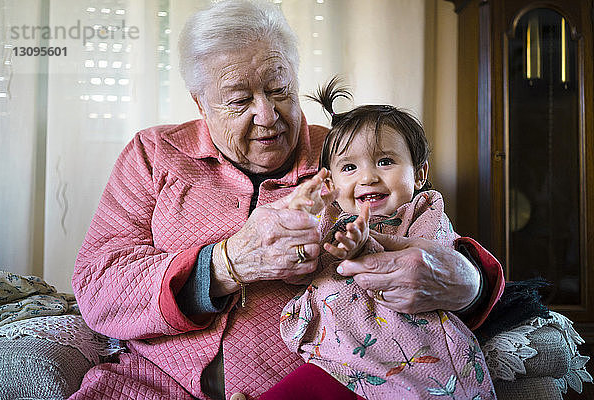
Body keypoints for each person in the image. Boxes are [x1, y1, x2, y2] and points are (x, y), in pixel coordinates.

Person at [70, 1, 504, 399]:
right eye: (240, 100)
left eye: (279, 90)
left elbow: (426, 237)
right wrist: (226, 263)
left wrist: (468, 282)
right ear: (201, 103)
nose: (267, 115)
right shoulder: (153, 155)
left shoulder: (349, 159)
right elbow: (96, 285)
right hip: (154, 385)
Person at [263, 79, 495, 400]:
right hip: (334, 352)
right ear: (330, 181)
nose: (368, 177)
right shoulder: (328, 217)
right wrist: (305, 225)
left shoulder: (424, 211)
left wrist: (364, 243)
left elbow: (433, 255)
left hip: (404, 348)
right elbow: (294, 268)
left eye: (385, 161)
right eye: (349, 167)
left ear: (420, 173)